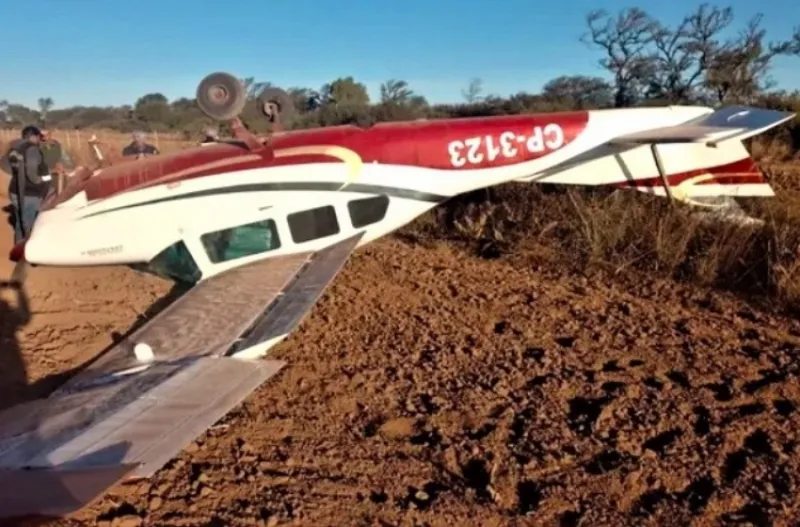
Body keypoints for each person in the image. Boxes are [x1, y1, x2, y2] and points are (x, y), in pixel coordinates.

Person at [5, 125, 50, 243]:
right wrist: (42, 179)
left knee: (20, 222)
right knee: (29, 225)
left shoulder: (15, 148)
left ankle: (18, 248)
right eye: (39, 137)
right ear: (33, 136)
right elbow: (32, 174)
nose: (40, 139)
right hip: (29, 193)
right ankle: (27, 253)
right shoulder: (32, 149)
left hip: (15, 190)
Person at [39, 127, 74, 192]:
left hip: (59, 176)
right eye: (42, 135)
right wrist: (52, 170)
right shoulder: (35, 148)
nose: (45, 137)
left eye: (47, 134)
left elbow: (65, 159)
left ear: (50, 134)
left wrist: (62, 165)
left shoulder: (57, 145)